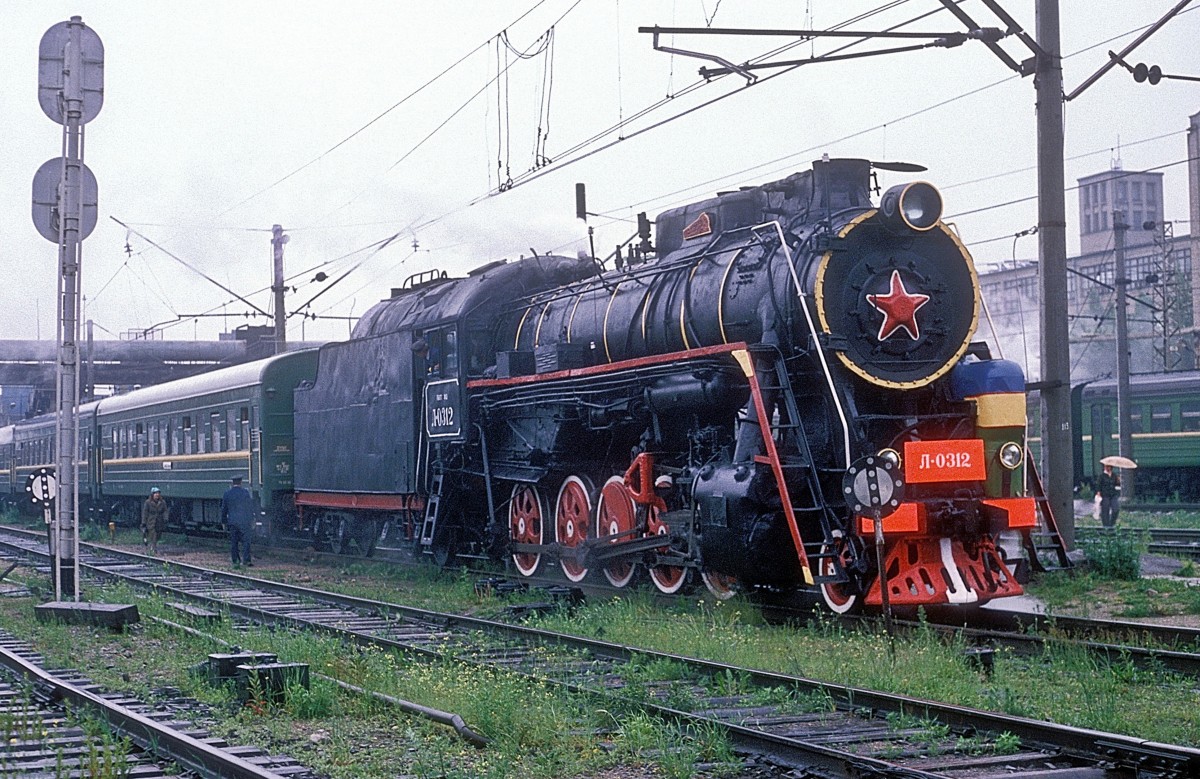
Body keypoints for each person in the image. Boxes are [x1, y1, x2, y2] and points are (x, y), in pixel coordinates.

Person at [221, 475, 255, 568]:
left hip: (232, 521)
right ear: (241, 482)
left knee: (234, 542)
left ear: (232, 483)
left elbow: (224, 509)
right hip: (244, 521)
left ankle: (235, 560)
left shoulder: (227, 494)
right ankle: (246, 560)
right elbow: (249, 507)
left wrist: (223, 521)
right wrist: (252, 519)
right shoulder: (245, 493)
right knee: (246, 541)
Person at [140, 486, 168, 554]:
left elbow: (165, 511)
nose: (157, 495)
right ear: (152, 494)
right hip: (151, 522)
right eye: (155, 493)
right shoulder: (148, 502)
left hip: (159, 522)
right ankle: (154, 549)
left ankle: (153, 547)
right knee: (153, 536)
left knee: (158, 535)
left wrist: (165, 518)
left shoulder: (162, 502)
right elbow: (145, 513)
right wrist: (143, 522)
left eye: (158, 493)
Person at [1097, 464, 1121, 529]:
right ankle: (1106, 526)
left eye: (1109, 466)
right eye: (1106, 466)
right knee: (1105, 511)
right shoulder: (1101, 476)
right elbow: (1098, 485)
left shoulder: (1114, 475)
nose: (1108, 468)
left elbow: (1117, 485)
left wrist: (1118, 481)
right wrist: (1098, 493)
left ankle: (1112, 524)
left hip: (1113, 495)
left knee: (1116, 509)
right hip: (1105, 495)